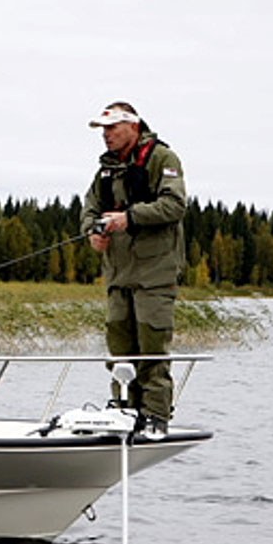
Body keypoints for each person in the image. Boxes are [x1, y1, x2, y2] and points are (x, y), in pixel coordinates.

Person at [80, 101, 186, 434]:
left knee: (152, 347)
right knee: (119, 347)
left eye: (111, 128)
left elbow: (175, 204)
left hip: (154, 274)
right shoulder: (106, 169)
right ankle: (123, 409)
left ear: (133, 126)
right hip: (118, 274)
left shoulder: (162, 158)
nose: (106, 136)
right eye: (103, 130)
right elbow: (89, 206)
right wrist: (91, 233)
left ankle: (155, 416)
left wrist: (129, 218)